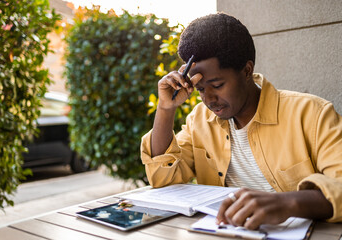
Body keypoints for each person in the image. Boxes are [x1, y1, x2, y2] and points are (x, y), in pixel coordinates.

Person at [140, 12, 342, 229]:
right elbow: (163, 180)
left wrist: (287, 203)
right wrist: (165, 108)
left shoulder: (312, 114)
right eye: (200, 89)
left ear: (247, 70)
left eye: (217, 85)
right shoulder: (199, 120)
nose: (209, 99)